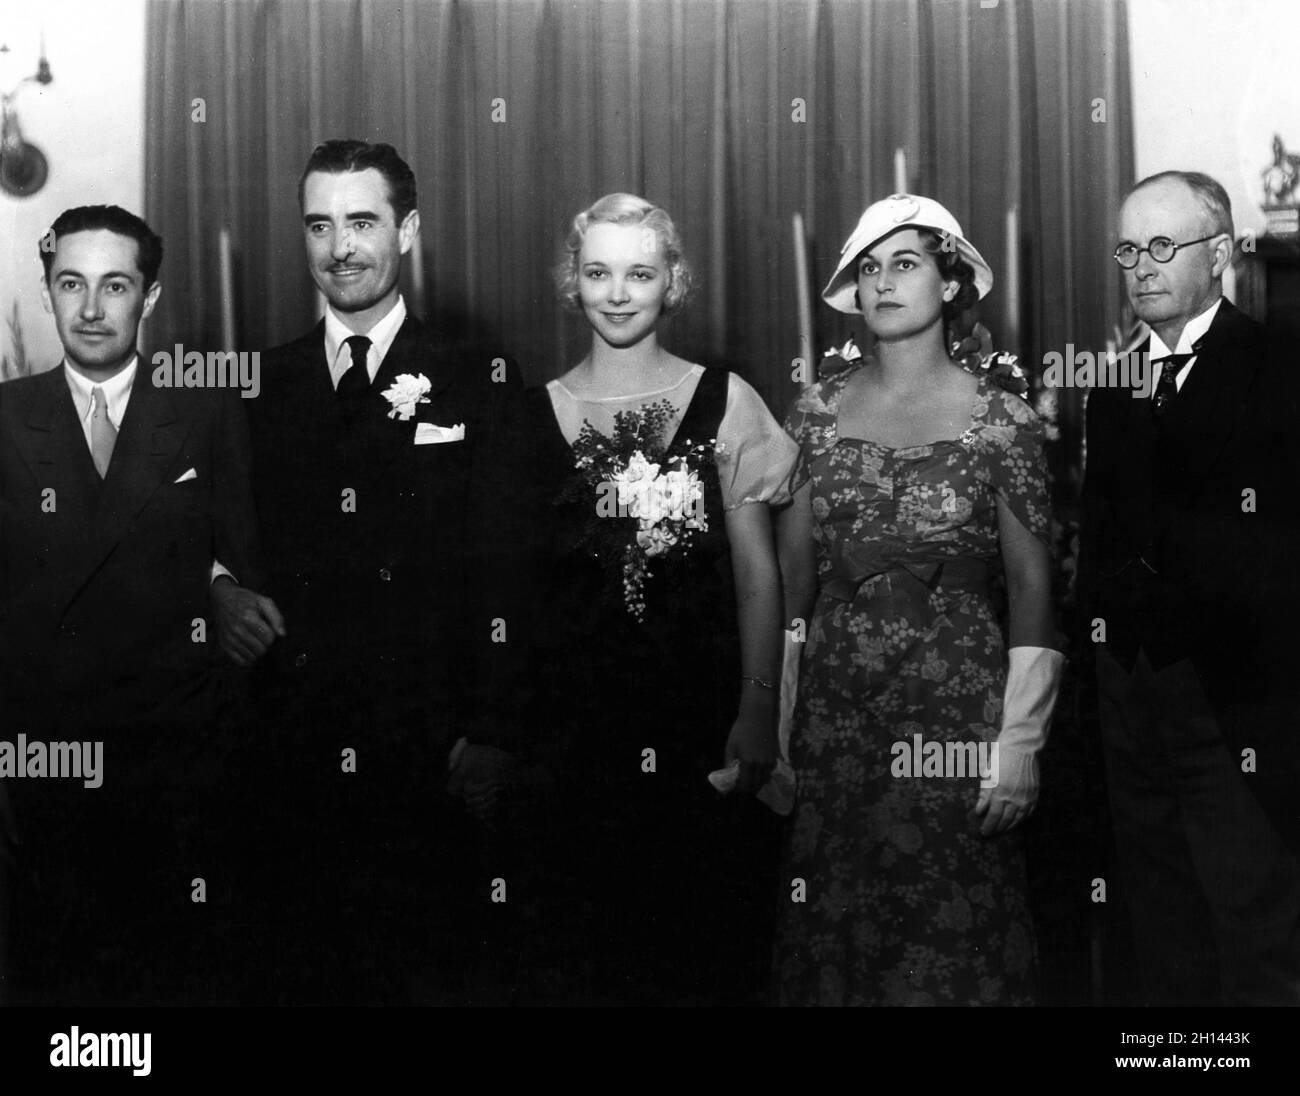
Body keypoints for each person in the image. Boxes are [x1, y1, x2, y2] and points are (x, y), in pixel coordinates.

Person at [222, 140, 524, 1004]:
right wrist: (219, 588)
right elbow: (214, 534)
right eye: (320, 225)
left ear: (409, 231)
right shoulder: (256, 387)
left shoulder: (482, 380)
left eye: (362, 221)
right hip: (293, 752)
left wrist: (495, 728)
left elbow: (512, 572)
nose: (340, 246)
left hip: (430, 752)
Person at [505, 192, 797, 1004]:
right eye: (599, 272)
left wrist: (757, 706)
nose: (619, 292)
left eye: (640, 272)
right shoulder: (530, 418)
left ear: (674, 281)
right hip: (574, 736)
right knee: (586, 955)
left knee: (699, 950)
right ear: (574, 282)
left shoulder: (727, 400)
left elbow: (756, 576)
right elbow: (523, 599)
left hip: (697, 720)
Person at [774, 194, 1064, 1006]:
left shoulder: (1003, 420)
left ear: (950, 283)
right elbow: (795, 586)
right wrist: (778, 727)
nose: (882, 283)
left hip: (958, 718)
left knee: (956, 938)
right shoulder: (813, 413)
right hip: (836, 720)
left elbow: (1035, 589)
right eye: (869, 269)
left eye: (905, 263)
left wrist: (1020, 744)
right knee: (840, 935)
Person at [0, 204, 260, 1004]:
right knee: (60, 972)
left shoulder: (207, 407)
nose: (89, 309)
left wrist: (219, 590)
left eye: (115, 286)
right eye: (70, 284)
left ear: (148, 298)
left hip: (176, 750)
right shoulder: (6, 416)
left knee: (176, 967)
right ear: (46, 292)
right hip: (46, 751)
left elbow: (241, 556)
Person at [1078, 170, 1300, 1005]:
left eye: (1163, 246)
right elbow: (1100, 543)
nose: (1142, 266)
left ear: (1219, 256)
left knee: (1257, 925)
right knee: (1161, 929)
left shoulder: (1279, 363)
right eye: (1129, 248)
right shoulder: (1114, 381)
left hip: (1240, 700)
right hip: (1133, 697)